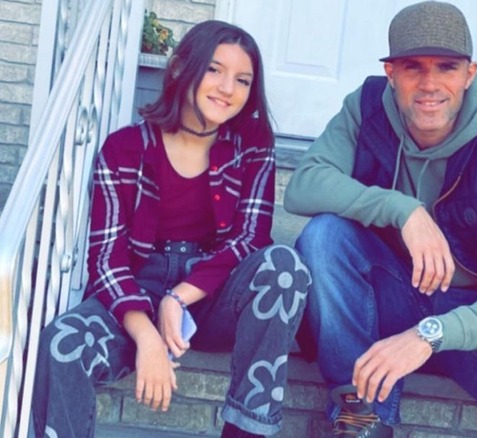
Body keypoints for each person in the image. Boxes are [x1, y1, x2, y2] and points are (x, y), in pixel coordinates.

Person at [283, 1, 477, 436]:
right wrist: (403, 209)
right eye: (413, 67)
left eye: (447, 67)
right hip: (395, 294)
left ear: (470, 74)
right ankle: (360, 411)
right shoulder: (366, 109)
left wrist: (429, 334)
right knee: (325, 237)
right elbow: (304, 184)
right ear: (391, 73)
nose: (430, 84)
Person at [32, 20, 310, 438]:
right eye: (214, 70)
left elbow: (251, 239)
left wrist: (178, 298)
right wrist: (146, 337)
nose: (227, 88)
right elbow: (106, 260)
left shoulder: (252, 145)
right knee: (61, 342)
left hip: (211, 294)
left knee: (284, 268)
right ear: (181, 68)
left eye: (242, 79)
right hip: (137, 287)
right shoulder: (123, 148)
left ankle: (246, 432)